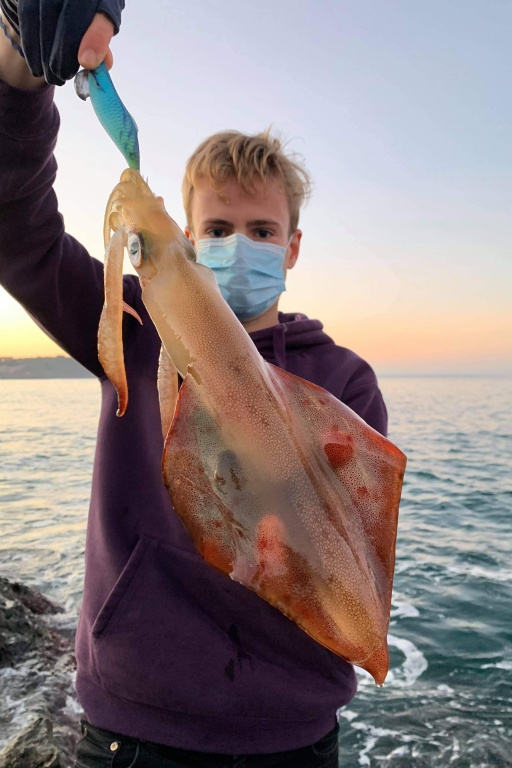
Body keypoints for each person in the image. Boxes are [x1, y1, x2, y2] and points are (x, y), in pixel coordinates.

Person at [0, 5, 388, 767]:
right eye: (215, 231)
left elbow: (341, 562)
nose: (237, 247)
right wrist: (16, 70)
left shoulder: (346, 383)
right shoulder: (136, 323)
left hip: (295, 739)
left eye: (261, 232)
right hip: (135, 731)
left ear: (294, 247)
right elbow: (18, 227)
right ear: (184, 232)